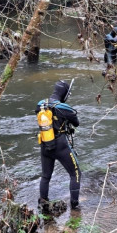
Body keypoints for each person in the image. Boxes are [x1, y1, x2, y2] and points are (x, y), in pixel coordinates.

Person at [36, 80, 81, 210]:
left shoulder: (40, 105)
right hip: (60, 145)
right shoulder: (64, 108)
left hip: (44, 144)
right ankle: (74, 205)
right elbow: (76, 122)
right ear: (64, 94)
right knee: (75, 173)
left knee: (45, 176)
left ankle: (43, 202)